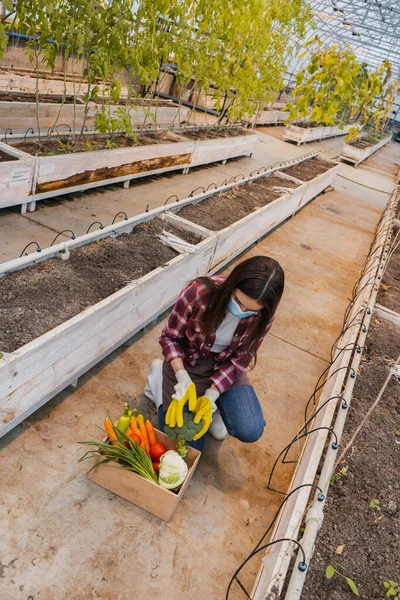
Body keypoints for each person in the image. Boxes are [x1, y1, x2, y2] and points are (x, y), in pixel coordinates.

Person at [144, 255, 284, 452]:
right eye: (237, 301)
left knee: (250, 430)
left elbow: (240, 359)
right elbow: (170, 338)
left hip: (225, 367)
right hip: (188, 363)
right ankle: (159, 381)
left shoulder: (265, 314)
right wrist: (181, 375)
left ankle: (215, 405)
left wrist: (213, 392)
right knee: (188, 443)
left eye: (250, 311)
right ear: (232, 284)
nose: (241, 311)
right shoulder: (199, 292)